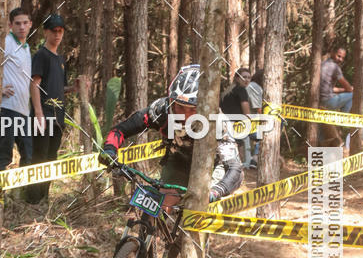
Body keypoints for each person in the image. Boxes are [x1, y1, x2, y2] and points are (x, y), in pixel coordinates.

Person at [99, 64, 243, 202]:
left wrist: (216, 191)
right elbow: (120, 130)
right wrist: (109, 150)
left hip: (212, 165)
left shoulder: (217, 121)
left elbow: (235, 168)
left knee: (198, 209)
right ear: (171, 102)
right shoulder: (161, 110)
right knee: (160, 207)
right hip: (179, 160)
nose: (185, 115)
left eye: (192, 109)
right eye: (180, 107)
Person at [27, 14, 78, 204]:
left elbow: (58, 87)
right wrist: (38, 113)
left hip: (58, 117)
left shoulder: (60, 59)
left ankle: (44, 198)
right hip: (43, 116)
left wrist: (74, 88)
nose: (57, 35)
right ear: (46, 32)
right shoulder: (41, 55)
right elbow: (35, 84)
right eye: (54, 31)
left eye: (60, 31)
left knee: (51, 157)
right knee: (39, 157)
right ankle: (33, 199)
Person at [0, 7, 33, 171]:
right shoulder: (6, 42)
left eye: (25, 23)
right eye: (18, 23)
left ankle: (24, 196)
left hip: (24, 111)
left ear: (30, 24)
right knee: (4, 155)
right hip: (7, 108)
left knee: (29, 154)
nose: (22, 27)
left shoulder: (26, 47)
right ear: (10, 25)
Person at [220, 67, 252, 171]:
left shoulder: (228, 91)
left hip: (223, 125)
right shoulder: (241, 90)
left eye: (249, 77)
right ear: (237, 78)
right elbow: (247, 113)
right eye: (244, 77)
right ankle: (247, 164)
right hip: (235, 126)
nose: (246, 80)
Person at [320, 47, 354, 113]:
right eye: (339, 56)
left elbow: (330, 88)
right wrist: (350, 89)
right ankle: (342, 120)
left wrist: (343, 90)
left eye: (343, 58)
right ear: (332, 53)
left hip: (320, 101)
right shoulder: (335, 67)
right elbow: (349, 88)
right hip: (328, 102)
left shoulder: (323, 63)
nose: (340, 59)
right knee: (353, 95)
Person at [245, 68, 264, 170]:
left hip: (247, 121)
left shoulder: (252, 86)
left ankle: (255, 156)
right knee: (269, 131)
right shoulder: (255, 88)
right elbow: (259, 109)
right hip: (247, 123)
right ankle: (255, 158)